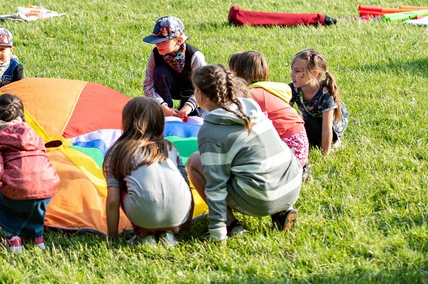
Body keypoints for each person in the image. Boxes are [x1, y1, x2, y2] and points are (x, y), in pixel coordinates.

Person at [186, 65, 302, 242]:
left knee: (195, 162)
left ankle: (229, 223)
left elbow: (216, 185)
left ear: (200, 95)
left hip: (260, 198)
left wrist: (217, 232)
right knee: (251, 161)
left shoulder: (211, 131)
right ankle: (282, 211)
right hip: (292, 185)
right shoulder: (250, 107)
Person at [104, 97, 192, 247]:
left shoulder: (120, 152)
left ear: (127, 122)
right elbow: (186, 187)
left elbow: (113, 201)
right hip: (179, 216)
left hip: (144, 215)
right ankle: (168, 233)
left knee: (124, 185)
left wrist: (112, 238)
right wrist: (184, 224)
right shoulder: (170, 148)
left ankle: (144, 234)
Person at [0, 93, 59, 253]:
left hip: (19, 189)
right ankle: (37, 238)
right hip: (47, 188)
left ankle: (13, 237)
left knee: (3, 203)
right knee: (34, 207)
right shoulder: (34, 134)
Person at [227, 51, 310, 179]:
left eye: (232, 71)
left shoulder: (252, 95)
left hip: (289, 148)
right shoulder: (265, 90)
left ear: (244, 76)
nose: (230, 76)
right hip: (298, 144)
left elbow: (248, 130)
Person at [142, 16, 205, 117]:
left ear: (179, 41)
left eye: (163, 41)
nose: (158, 45)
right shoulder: (155, 54)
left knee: (196, 119)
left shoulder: (195, 56)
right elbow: (148, 84)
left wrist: (189, 105)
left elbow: (204, 87)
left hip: (194, 92)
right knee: (160, 71)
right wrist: (163, 107)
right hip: (168, 91)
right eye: (156, 41)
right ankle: (165, 114)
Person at [289, 49, 348, 156]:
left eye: (297, 71)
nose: (292, 74)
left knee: (315, 127)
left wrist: (324, 155)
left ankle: (335, 142)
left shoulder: (325, 95)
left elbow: (327, 128)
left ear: (314, 74)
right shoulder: (293, 89)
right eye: (292, 70)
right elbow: (285, 114)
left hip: (332, 124)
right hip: (310, 120)